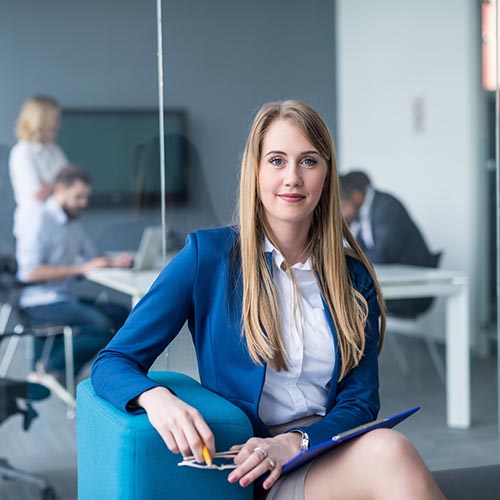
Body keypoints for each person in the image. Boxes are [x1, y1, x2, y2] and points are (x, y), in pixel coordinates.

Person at [91, 101, 445, 499]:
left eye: (308, 161)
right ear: (255, 172)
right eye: (277, 160)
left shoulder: (352, 276)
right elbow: (112, 361)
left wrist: (297, 440)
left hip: (326, 447)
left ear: (327, 175)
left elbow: (361, 401)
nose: (292, 177)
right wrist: (157, 399)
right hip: (258, 466)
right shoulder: (207, 257)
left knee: (389, 452)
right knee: (391, 453)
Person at [16, 165, 133, 397]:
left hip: (64, 296)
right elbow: (29, 273)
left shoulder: (72, 222)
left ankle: (64, 373)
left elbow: (91, 255)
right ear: (60, 190)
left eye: (85, 197)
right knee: (102, 326)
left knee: (123, 315)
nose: (84, 203)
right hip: (38, 302)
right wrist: (81, 268)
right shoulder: (38, 219)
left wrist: (112, 261)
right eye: (78, 197)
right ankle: (51, 367)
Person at [340, 170, 438, 318]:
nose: (340, 213)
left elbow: (381, 255)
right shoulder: (358, 217)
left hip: (410, 289)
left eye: (341, 205)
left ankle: (362, 342)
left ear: (356, 197)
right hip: (386, 284)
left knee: (348, 300)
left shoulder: (386, 207)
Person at [9, 95, 68, 238]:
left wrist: (52, 186)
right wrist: (60, 185)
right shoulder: (22, 152)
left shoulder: (54, 149)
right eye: (54, 120)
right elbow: (38, 193)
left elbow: (71, 181)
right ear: (41, 120)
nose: (58, 126)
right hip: (34, 226)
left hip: (58, 223)